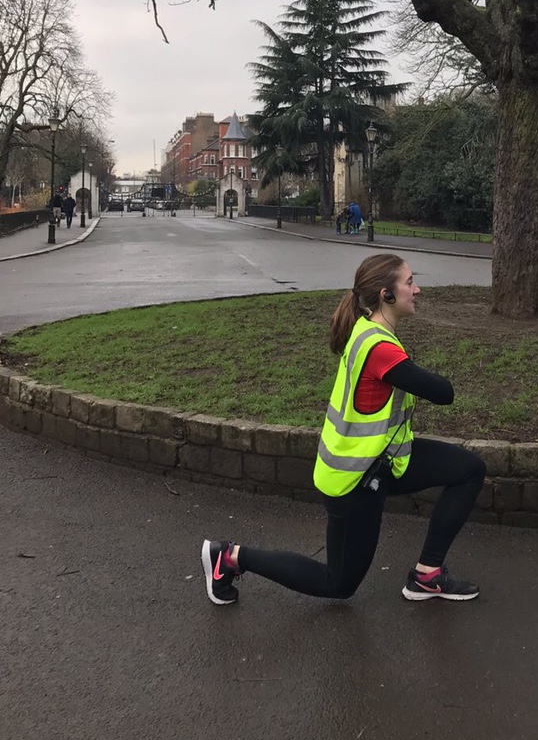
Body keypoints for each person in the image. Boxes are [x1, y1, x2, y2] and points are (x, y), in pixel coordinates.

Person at [201, 254, 486, 606]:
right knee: (337, 583)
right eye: (410, 282)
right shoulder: (379, 347)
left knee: (468, 470)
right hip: (354, 480)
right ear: (387, 294)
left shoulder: (369, 330)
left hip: (385, 462)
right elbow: (444, 393)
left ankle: (428, 575)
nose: (418, 289)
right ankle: (228, 557)